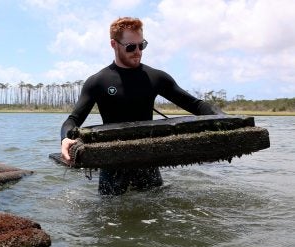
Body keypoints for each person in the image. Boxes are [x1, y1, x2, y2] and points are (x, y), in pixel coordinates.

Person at [60, 17, 224, 195]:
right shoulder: (98, 82)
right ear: (114, 45)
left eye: (142, 45)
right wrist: (65, 139)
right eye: (131, 47)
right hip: (112, 166)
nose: (138, 51)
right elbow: (73, 120)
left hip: (148, 165)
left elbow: (197, 105)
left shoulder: (155, 78)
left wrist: (223, 118)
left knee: (155, 210)